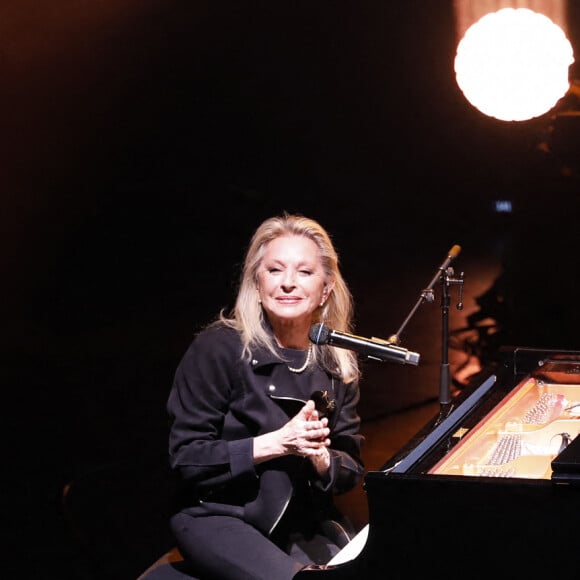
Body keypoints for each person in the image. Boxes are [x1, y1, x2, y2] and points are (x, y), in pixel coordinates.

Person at [166, 213, 365, 580]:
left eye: (304, 272)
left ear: (326, 288)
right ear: (257, 283)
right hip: (220, 518)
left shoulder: (338, 361)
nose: (288, 283)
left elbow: (350, 468)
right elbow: (187, 459)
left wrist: (322, 457)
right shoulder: (219, 347)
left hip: (305, 522)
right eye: (275, 270)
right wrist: (279, 442)